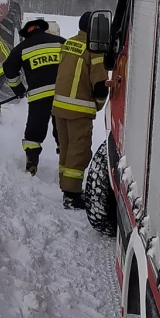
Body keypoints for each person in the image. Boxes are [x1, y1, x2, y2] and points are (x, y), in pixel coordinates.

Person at [52, 11, 109, 209]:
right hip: (79, 109)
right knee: (79, 151)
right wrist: (99, 104)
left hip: (59, 106)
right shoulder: (94, 49)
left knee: (66, 150)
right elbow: (100, 85)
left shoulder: (69, 43)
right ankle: (72, 195)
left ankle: (66, 188)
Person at [2, 18, 65, 175]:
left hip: (39, 96)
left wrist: (18, 89)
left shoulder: (21, 48)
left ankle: (32, 160)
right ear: (44, 30)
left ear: (26, 34)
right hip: (62, 94)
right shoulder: (60, 42)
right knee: (63, 127)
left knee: (35, 129)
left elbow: (9, 69)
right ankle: (65, 159)